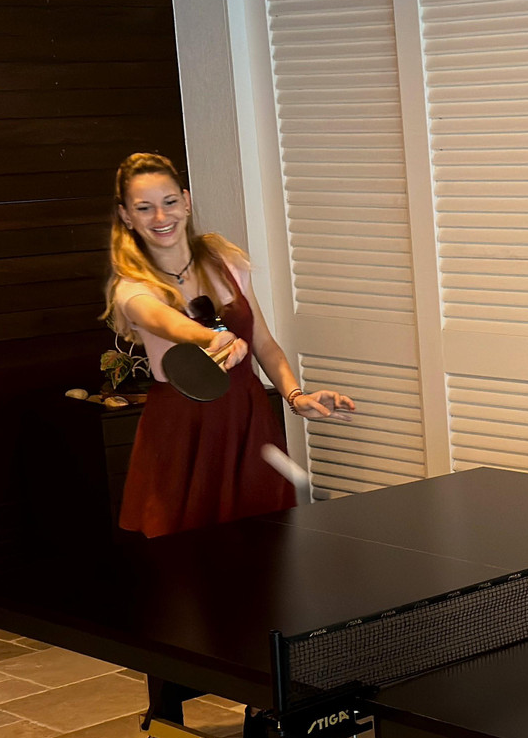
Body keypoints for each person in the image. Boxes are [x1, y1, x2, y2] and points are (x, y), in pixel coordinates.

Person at [101, 152, 355, 537]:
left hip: (247, 420)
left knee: (266, 548)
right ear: (126, 216)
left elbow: (263, 342)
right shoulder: (132, 285)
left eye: (169, 202)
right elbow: (162, 319)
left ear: (186, 201)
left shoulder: (222, 260)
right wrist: (210, 337)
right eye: (144, 208)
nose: (160, 217)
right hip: (184, 433)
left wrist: (295, 395)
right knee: (189, 559)